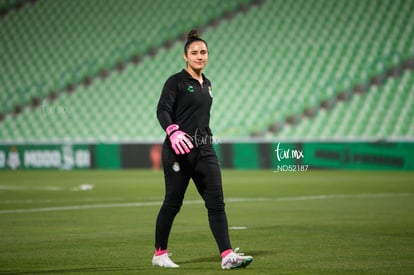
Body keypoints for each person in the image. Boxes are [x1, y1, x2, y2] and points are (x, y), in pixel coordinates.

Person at [152, 30, 253, 270]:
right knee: (173, 203)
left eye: (203, 52)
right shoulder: (175, 82)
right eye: (194, 53)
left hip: (204, 148)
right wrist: (173, 130)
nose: (200, 56)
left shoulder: (206, 83)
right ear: (185, 57)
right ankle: (159, 253)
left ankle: (227, 255)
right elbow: (162, 110)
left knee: (216, 202)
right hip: (178, 151)